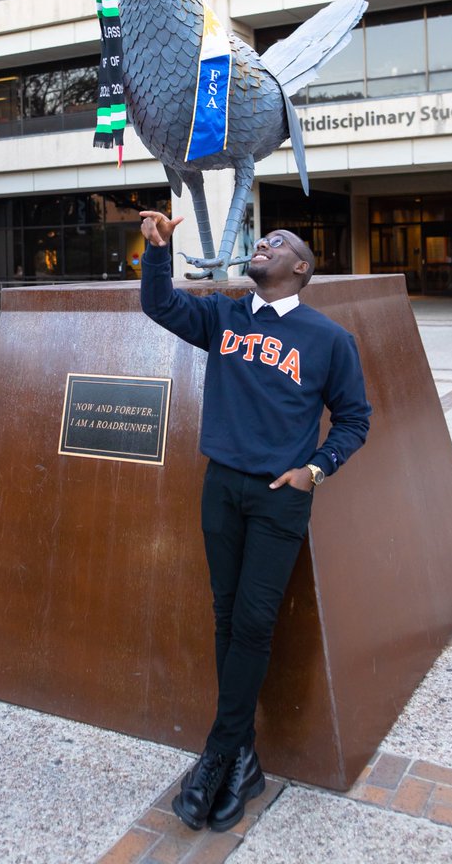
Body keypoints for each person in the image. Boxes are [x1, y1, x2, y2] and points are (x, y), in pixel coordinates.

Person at [138, 210, 371, 833]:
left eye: (281, 242)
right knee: (226, 615)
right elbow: (161, 306)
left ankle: (218, 754)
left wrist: (314, 472)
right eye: (262, 239)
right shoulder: (224, 315)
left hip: (279, 497)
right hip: (222, 487)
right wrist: (158, 251)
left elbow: (354, 419)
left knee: (254, 620)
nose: (264, 242)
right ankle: (242, 754)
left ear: (301, 268)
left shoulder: (328, 339)